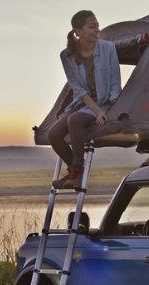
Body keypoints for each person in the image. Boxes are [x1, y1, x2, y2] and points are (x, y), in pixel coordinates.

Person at [47, 10, 121, 189]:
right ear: (78, 31)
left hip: (106, 101)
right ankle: (75, 172)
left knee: (75, 120)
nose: (97, 29)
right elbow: (78, 89)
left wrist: (109, 108)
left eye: (97, 25)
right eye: (92, 26)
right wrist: (95, 110)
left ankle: (75, 171)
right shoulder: (67, 56)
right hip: (83, 102)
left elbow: (115, 82)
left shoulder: (108, 48)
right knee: (53, 134)